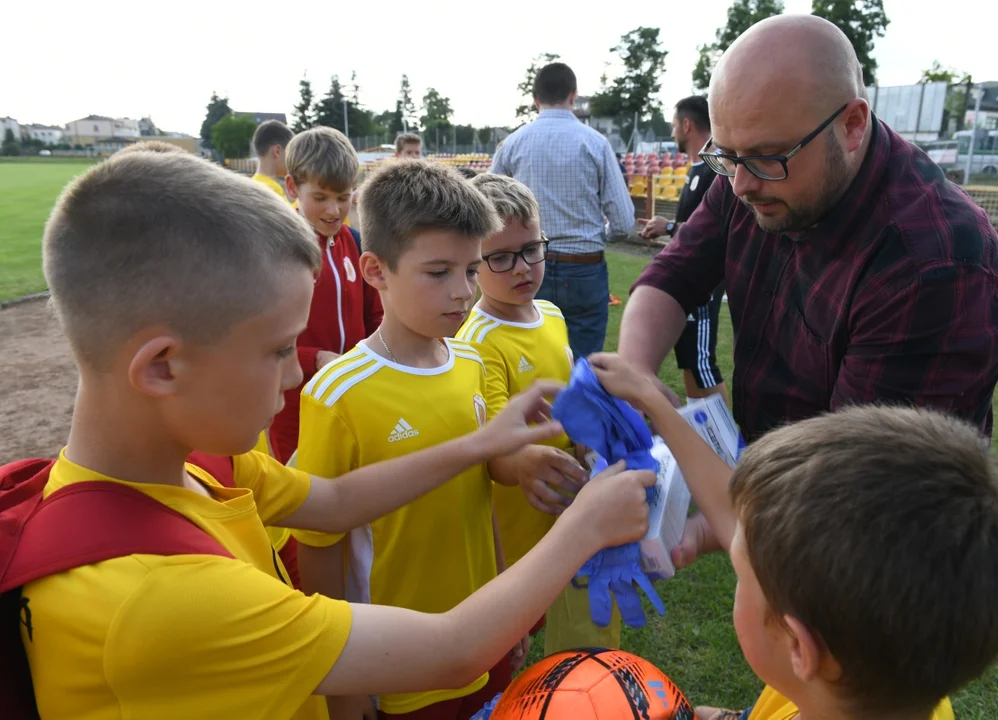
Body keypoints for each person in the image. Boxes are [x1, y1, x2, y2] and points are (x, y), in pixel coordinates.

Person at [18, 149, 655, 720]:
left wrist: (484, 444)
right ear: (162, 365)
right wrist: (587, 525)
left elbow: (335, 501)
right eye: (276, 349)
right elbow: (453, 650)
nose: (298, 368)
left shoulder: (209, 467)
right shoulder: (160, 597)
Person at [618, 16, 998, 565]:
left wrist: (713, 527)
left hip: (879, 564)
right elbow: (673, 275)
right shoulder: (748, 171)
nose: (740, 184)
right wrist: (636, 373)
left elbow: (853, 493)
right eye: (726, 156)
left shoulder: (934, 262)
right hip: (785, 505)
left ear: (853, 125)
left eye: (765, 157)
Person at [588, 354, 998, 720]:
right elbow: (733, 515)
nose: (730, 542)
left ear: (800, 647)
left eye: (741, 573)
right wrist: (653, 400)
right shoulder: (902, 684)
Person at [296, 161, 579, 720]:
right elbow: (319, 548)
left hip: (482, 637)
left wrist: (504, 604)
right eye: (438, 272)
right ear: (375, 270)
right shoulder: (337, 393)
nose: (463, 292)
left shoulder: (471, 360)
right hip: (394, 664)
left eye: (472, 270)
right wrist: (344, 685)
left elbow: (482, 496)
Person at [456, 173, 620, 656]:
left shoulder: (550, 314)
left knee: (575, 643)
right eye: (501, 257)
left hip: (569, 505)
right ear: (473, 262)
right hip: (516, 528)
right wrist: (528, 459)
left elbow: (568, 398)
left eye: (532, 249)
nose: (522, 267)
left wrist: (590, 436)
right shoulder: (476, 342)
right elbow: (493, 445)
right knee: (519, 644)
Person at [491, 62, 635, 360]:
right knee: (583, 364)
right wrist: (594, 238)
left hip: (527, 264)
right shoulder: (595, 143)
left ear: (535, 100)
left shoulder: (512, 144)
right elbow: (623, 221)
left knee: (530, 360)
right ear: (573, 96)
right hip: (583, 264)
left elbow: (486, 210)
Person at [267, 126, 383, 463]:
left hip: (352, 393)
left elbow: (375, 314)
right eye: (321, 198)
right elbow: (260, 339)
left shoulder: (354, 242)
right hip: (295, 404)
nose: (334, 210)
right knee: (301, 495)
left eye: (343, 197)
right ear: (292, 187)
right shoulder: (277, 248)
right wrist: (314, 359)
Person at [637, 95, 728, 403]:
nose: (673, 132)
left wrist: (670, 227)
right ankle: (700, 431)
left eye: (675, 124)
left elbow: (714, 232)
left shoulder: (716, 171)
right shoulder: (698, 167)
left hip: (703, 284)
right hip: (687, 280)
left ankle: (723, 443)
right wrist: (668, 227)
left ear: (687, 125)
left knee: (702, 362)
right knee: (689, 358)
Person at [251, 120, 294, 200]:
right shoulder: (273, 190)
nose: (293, 158)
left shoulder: (251, 185)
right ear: (277, 151)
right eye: (290, 152)